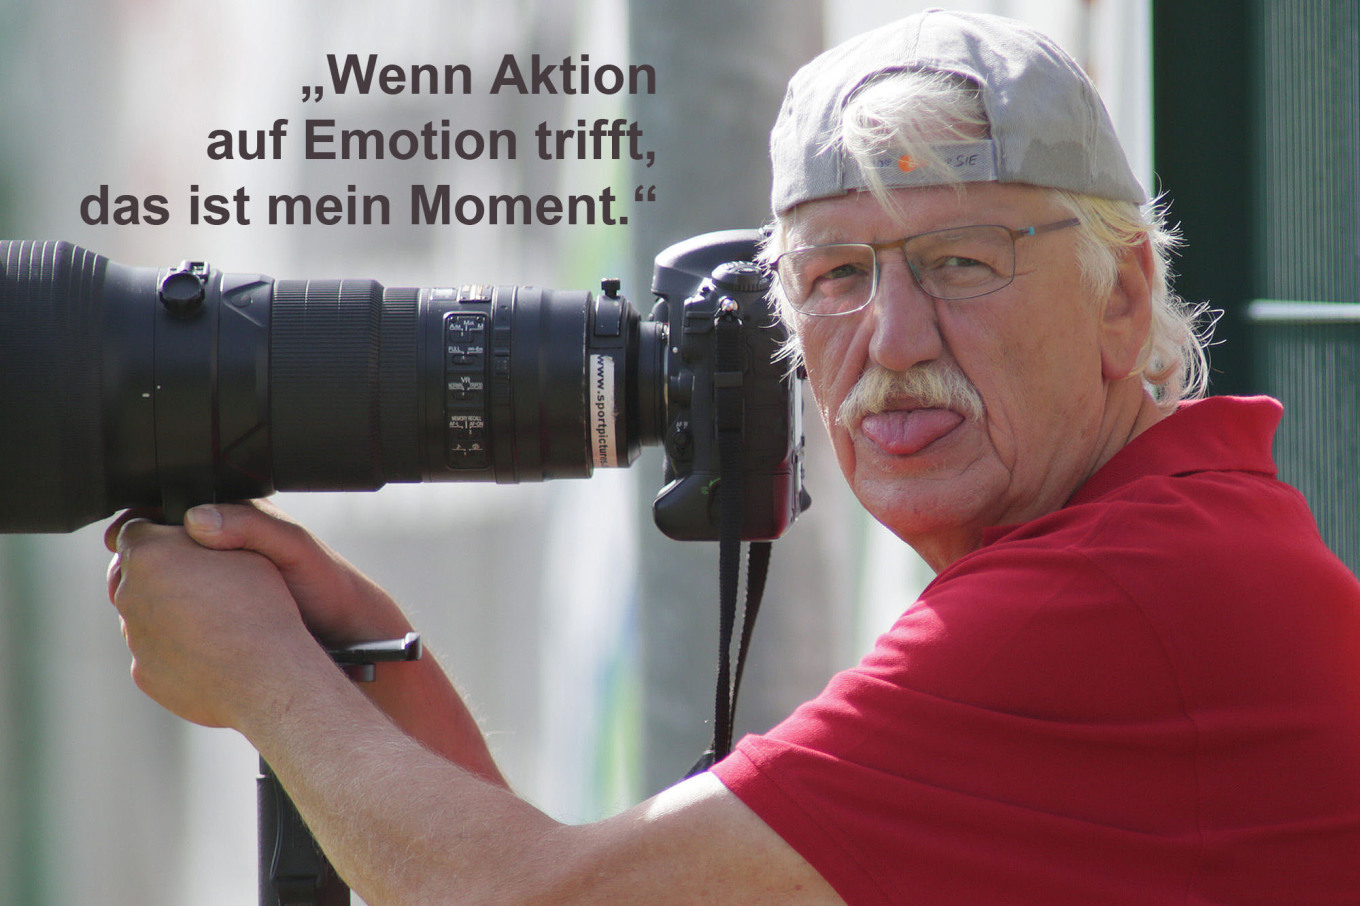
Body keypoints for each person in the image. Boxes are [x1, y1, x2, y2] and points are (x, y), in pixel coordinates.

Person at [106, 9, 1360, 904]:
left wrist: (267, 679)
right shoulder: (1166, 541)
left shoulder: (1102, 599)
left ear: (1121, 299)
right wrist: (368, 651)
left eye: (961, 263)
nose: (891, 339)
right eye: (834, 277)